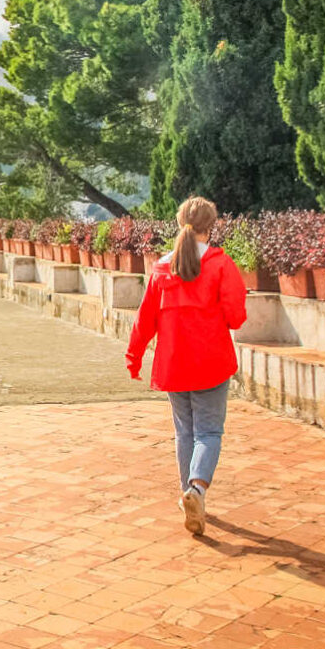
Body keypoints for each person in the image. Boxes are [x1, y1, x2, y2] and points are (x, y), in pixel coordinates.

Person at [125, 196, 247, 536]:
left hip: (174, 364)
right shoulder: (221, 265)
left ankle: (188, 495)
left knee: (185, 432)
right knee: (208, 432)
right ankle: (196, 490)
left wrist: (134, 357)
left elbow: (145, 320)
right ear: (211, 227)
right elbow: (236, 317)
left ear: (180, 224)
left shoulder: (162, 268)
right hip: (211, 362)